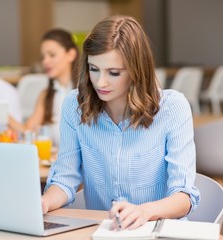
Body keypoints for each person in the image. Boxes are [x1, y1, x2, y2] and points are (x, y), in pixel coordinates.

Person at [41, 15, 200, 230]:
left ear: (137, 71)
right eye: (93, 69)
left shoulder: (172, 108)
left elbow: (184, 196)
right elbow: (64, 180)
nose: (100, 82)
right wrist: (44, 202)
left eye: (114, 73)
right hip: (102, 232)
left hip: (159, 231)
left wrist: (145, 211)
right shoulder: (74, 104)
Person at [11, 29, 78, 146]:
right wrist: (3, 116)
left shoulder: (86, 91)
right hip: (55, 159)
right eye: (43, 57)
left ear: (71, 55)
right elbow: (28, 131)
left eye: (52, 55)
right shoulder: (47, 95)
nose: (46, 61)